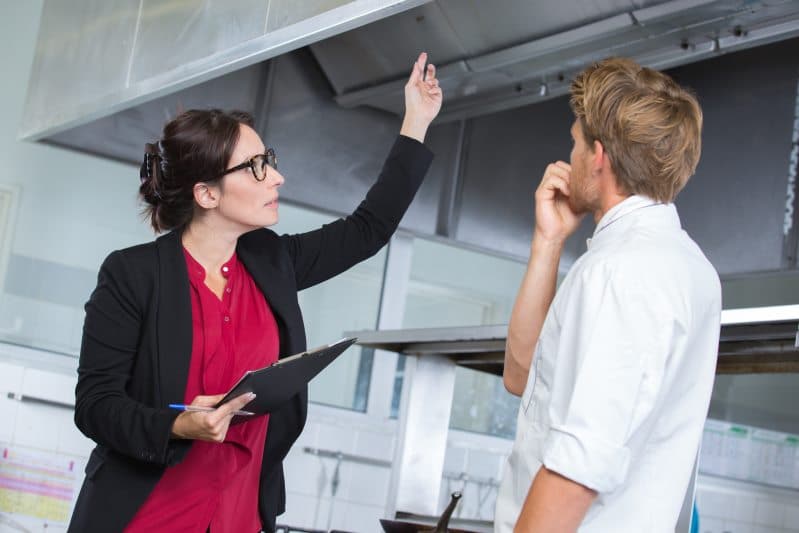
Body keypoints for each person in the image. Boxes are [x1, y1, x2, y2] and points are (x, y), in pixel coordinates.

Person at [68, 52, 442, 533]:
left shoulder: (272, 262)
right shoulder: (132, 275)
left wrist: (416, 121)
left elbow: (368, 230)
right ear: (207, 194)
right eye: (256, 167)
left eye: (271, 161)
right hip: (145, 518)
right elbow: (95, 404)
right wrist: (177, 425)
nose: (277, 177)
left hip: (239, 517)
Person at [494, 57, 721, 532]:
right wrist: (549, 240)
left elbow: (578, 468)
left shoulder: (625, 271)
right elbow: (522, 377)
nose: (569, 157)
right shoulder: (680, 264)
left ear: (598, 157)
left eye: (574, 143)